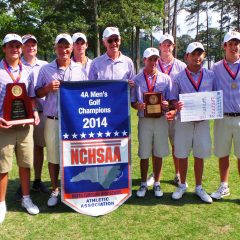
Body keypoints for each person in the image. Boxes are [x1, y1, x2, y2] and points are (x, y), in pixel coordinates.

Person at [35, 33, 86, 207]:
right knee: (54, 156)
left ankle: (71, 188)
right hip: (53, 119)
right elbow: (36, 93)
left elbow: (85, 93)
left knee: (74, 155)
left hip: (73, 120)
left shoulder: (80, 69)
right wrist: (48, 88)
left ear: (71, 49)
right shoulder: (46, 69)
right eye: (60, 46)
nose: (64, 50)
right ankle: (55, 189)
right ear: (55, 48)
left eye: (67, 46)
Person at [0, 33, 40, 223]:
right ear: (4, 49)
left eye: (18, 46)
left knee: (25, 163)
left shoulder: (27, 71)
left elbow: (30, 98)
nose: (15, 49)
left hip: (24, 126)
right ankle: (1, 204)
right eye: (11, 46)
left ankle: (26, 198)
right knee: (3, 167)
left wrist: (34, 112)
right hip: (4, 126)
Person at [170, 42, 215, 203]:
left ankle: (198, 187)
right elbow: (173, 98)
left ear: (203, 56)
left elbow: (215, 95)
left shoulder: (210, 75)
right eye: (193, 54)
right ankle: (182, 185)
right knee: (182, 154)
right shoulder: (179, 77)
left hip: (202, 122)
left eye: (200, 54)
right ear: (186, 57)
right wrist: (176, 104)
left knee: (199, 154)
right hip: (184, 121)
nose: (197, 57)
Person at [131, 47, 172, 198]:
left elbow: (170, 101)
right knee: (144, 152)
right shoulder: (136, 79)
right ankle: (143, 183)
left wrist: (167, 104)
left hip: (160, 119)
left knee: (159, 152)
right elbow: (133, 102)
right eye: (150, 59)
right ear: (144, 60)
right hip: (145, 120)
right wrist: (138, 106)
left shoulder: (165, 78)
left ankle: (157, 183)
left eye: (156, 59)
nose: (153, 62)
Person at [147, 33, 186, 187]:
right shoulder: (153, 63)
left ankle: (177, 174)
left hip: (174, 112)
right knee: (156, 144)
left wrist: (176, 109)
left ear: (173, 46)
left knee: (177, 144)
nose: (167, 47)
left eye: (169, 44)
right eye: (164, 44)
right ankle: (155, 174)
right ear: (160, 46)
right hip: (156, 112)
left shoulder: (181, 66)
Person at [14, 34, 49, 200]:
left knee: (39, 148)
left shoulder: (45, 65)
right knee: (23, 151)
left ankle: (37, 180)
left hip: (42, 113)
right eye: (27, 45)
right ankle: (24, 183)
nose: (31, 48)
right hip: (22, 115)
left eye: (33, 45)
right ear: (22, 48)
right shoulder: (16, 66)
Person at [211, 31, 240, 200]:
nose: (234, 46)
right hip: (222, 117)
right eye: (230, 43)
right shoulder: (215, 68)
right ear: (224, 46)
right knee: (223, 153)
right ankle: (224, 186)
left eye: (237, 43)